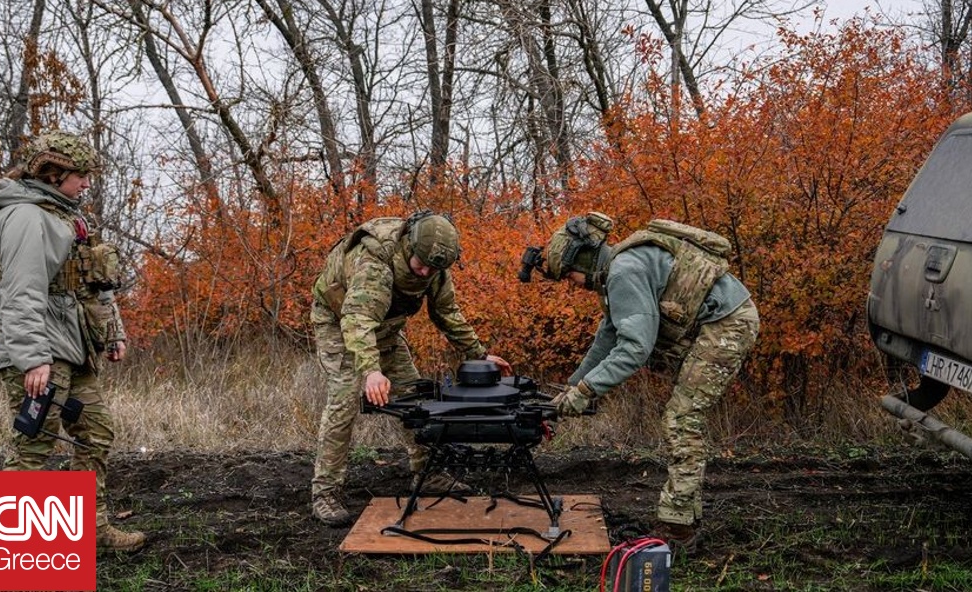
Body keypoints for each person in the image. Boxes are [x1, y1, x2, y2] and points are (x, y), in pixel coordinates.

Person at [518, 213, 759, 545]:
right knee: (682, 417)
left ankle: (677, 527)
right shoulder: (618, 270)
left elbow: (635, 347)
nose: (572, 283)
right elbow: (607, 339)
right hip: (716, 322)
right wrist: (572, 386)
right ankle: (686, 513)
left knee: (682, 419)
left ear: (584, 261)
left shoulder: (623, 273)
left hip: (727, 323)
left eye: (569, 275)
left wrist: (586, 392)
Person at [0, 130, 144, 552]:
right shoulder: (26, 218)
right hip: (35, 347)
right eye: (80, 174)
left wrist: (113, 332)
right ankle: (13, 555)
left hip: (70, 341)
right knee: (36, 441)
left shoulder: (64, 215)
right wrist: (34, 359)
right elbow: (19, 293)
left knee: (95, 431)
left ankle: (93, 531)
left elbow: (91, 281)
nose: (87, 182)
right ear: (53, 174)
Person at [309, 211, 512, 524]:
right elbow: (358, 319)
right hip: (339, 323)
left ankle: (426, 474)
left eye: (434, 267)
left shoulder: (435, 264)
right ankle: (325, 491)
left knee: (414, 396)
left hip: (386, 327)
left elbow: (446, 313)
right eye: (422, 264)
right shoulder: (376, 261)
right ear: (408, 245)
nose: (426, 271)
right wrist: (371, 371)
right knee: (345, 399)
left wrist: (479, 353)